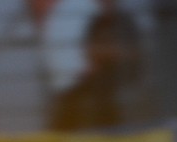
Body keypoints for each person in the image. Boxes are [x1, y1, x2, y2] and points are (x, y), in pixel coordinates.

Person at [50, 0, 144, 130]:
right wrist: (100, 57)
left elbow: (133, 52)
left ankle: (108, 134)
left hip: (122, 75)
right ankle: (60, 138)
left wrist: (106, 52)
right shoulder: (96, 21)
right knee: (69, 96)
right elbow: (89, 50)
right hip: (99, 75)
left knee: (104, 99)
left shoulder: (125, 22)